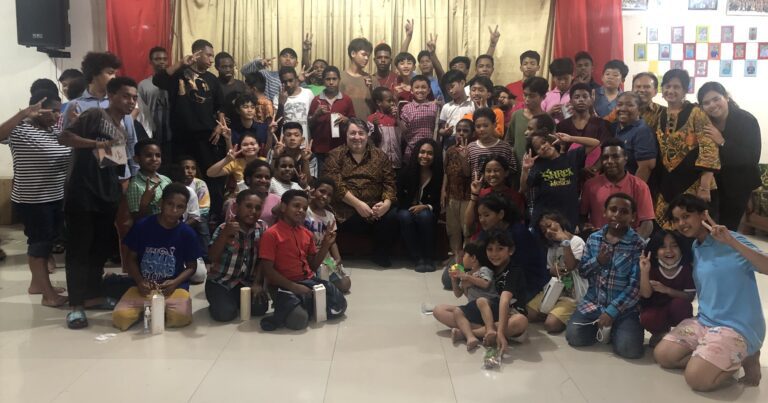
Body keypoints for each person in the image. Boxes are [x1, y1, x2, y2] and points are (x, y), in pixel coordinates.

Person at [656, 196, 764, 390]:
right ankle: (712, 358)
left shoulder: (731, 240)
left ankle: (748, 356)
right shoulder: (695, 247)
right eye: (677, 219)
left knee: (696, 379)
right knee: (663, 356)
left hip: (737, 326)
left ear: (703, 215)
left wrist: (731, 241)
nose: (681, 223)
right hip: (705, 321)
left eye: (686, 216)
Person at [59, 76, 138, 329]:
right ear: (111, 95)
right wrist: (97, 143)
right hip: (82, 194)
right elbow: (65, 137)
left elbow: (113, 163)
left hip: (107, 195)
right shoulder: (94, 115)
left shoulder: (122, 128)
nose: (130, 101)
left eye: (134, 97)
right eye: (125, 96)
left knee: (100, 249)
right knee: (79, 250)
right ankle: (76, 306)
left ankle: (92, 296)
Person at [0, 91, 69, 306]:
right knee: (39, 244)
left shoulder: (53, 131)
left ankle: (37, 285)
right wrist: (24, 113)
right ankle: (48, 296)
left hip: (54, 196)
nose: (57, 116)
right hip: (33, 200)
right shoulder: (20, 129)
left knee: (46, 243)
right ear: (39, 109)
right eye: (53, 111)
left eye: (59, 111)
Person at [112, 184, 203, 331]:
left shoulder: (187, 233)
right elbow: (130, 258)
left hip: (173, 288)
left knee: (180, 318)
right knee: (120, 318)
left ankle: (158, 308)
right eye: (170, 204)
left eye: (180, 207)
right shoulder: (143, 226)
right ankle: (149, 307)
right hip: (143, 286)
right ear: (161, 203)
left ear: (185, 209)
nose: (174, 211)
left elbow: (192, 267)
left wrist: (174, 282)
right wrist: (139, 281)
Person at [566, 193, 646, 359]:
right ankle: (602, 327)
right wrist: (598, 261)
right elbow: (583, 272)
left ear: (633, 217)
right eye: (613, 210)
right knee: (574, 337)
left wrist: (612, 311)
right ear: (604, 212)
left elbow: (635, 286)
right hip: (594, 302)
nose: (617, 215)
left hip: (625, 308)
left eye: (624, 212)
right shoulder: (594, 238)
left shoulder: (638, 244)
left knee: (629, 350)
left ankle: (616, 327)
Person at [257, 190, 347, 331]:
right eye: (296, 206)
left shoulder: (306, 233)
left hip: (308, 281)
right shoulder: (271, 234)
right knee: (299, 321)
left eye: (304, 208)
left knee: (340, 306)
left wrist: (325, 245)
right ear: (283, 207)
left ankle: (302, 303)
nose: (301, 210)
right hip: (284, 285)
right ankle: (298, 304)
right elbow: (268, 271)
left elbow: (313, 266)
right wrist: (294, 287)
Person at [152, 39, 225, 215]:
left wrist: (220, 126)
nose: (211, 60)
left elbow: (220, 107)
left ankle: (212, 214)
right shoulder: (179, 74)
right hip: (181, 136)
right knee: (179, 176)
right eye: (208, 55)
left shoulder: (212, 79)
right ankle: (178, 213)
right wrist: (180, 63)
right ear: (197, 54)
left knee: (210, 176)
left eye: (212, 56)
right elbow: (158, 80)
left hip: (207, 136)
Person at [434, 230, 530, 353]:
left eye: (500, 249)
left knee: (521, 321)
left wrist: (501, 332)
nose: (494, 254)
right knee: (439, 310)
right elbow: (464, 294)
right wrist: (459, 279)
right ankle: (486, 331)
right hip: (486, 311)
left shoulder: (514, 270)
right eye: (490, 249)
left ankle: (469, 333)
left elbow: (505, 300)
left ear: (510, 250)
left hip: (509, 314)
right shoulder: (487, 267)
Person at [322, 118, 398, 267]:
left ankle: (380, 254)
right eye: (352, 133)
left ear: (367, 135)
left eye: (361, 133)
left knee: (393, 215)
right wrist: (357, 204)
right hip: (344, 209)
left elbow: (390, 183)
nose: (357, 137)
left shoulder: (380, 156)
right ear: (346, 135)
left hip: (375, 209)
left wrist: (386, 204)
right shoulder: (335, 155)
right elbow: (334, 184)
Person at [655, 69, 720, 230]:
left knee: (694, 228)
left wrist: (704, 187)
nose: (671, 90)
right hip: (667, 182)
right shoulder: (660, 114)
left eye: (676, 87)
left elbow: (709, 147)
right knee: (667, 228)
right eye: (667, 86)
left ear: (685, 90)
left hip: (694, 183)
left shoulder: (696, 112)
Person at [697, 82, 762, 231]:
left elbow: (751, 158)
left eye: (716, 99)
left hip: (739, 184)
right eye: (706, 103)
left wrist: (722, 141)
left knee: (727, 228)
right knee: (708, 226)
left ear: (726, 97)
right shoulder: (704, 121)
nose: (712, 105)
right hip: (714, 183)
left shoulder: (746, 120)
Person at [63, 51, 139, 177]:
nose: (114, 77)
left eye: (115, 73)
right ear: (94, 74)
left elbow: (131, 140)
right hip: (88, 173)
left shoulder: (120, 101)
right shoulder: (75, 105)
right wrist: (81, 126)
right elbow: (66, 141)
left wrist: (135, 172)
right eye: (110, 73)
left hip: (119, 172)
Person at [520, 116, 599, 228]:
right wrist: (525, 169)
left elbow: (595, 143)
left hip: (568, 218)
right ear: (536, 153)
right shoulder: (538, 166)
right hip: (545, 221)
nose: (543, 147)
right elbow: (523, 188)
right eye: (538, 148)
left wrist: (571, 138)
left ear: (550, 141)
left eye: (544, 142)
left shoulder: (571, 157)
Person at [206, 189, 269, 322]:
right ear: (236, 207)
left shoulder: (263, 228)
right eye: (248, 206)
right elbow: (211, 257)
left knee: (260, 309)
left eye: (258, 208)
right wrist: (224, 235)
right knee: (225, 314)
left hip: (246, 282)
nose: (253, 211)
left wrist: (257, 283)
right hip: (221, 281)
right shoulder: (224, 227)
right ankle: (220, 301)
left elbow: (263, 258)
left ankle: (233, 299)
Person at [581, 139, 655, 238]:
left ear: (625, 158)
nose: (610, 161)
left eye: (615, 157)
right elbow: (582, 216)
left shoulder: (640, 186)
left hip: (629, 242)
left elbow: (647, 223)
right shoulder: (590, 185)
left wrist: (633, 244)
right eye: (605, 157)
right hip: (598, 242)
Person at [528, 211, 585, 333]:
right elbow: (550, 269)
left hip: (572, 294)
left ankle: (564, 314)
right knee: (529, 314)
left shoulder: (577, 241)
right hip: (554, 289)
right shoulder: (552, 246)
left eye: (549, 225)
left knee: (551, 325)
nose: (548, 231)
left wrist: (565, 241)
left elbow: (571, 266)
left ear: (559, 221)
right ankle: (554, 312)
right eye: (544, 231)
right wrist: (552, 270)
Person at [639, 230, 695, 347]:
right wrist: (644, 272)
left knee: (681, 305)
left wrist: (667, 290)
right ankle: (659, 333)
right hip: (657, 309)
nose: (669, 250)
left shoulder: (686, 269)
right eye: (663, 247)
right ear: (655, 252)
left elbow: (689, 297)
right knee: (647, 317)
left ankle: (678, 335)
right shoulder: (652, 267)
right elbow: (646, 294)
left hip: (676, 309)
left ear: (681, 249)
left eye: (674, 246)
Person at [397, 139, 443, 272]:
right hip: (406, 208)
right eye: (422, 152)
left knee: (425, 216)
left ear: (435, 156)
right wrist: (411, 206)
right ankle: (417, 258)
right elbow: (398, 197)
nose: (425, 156)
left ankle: (428, 257)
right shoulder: (406, 172)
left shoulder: (439, 175)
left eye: (430, 153)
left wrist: (426, 206)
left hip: (428, 210)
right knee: (405, 216)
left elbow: (438, 202)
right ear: (417, 153)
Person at [448, 241, 497, 350]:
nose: (462, 259)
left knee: (481, 301)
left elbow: (485, 283)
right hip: (474, 308)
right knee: (457, 311)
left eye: (464, 255)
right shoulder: (466, 274)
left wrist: (467, 277)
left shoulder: (483, 270)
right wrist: (454, 280)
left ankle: (489, 329)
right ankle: (470, 337)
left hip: (490, 305)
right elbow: (458, 294)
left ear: (473, 258)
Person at [304, 177, 351, 292]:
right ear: (313, 190)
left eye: (329, 195)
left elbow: (332, 241)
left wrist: (337, 258)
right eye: (322, 191)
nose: (325, 196)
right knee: (316, 282)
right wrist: (306, 200)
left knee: (346, 284)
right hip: (306, 256)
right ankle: (318, 281)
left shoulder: (330, 216)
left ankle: (322, 281)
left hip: (325, 257)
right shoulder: (304, 210)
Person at [308, 66, 356, 168]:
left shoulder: (346, 100)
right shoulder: (316, 100)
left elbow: (353, 121)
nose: (331, 82)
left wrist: (346, 120)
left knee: (341, 175)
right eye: (328, 79)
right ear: (323, 81)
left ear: (339, 80)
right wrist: (316, 114)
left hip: (341, 148)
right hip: (320, 149)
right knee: (322, 176)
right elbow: (310, 125)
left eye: (334, 79)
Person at [557, 82, 611, 169]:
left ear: (591, 100)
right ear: (570, 101)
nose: (581, 100)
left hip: (595, 170)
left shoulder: (602, 124)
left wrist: (595, 168)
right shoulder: (562, 125)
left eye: (585, 97)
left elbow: (606, 149)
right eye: (577, 97)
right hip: (567, 170)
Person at [442, 119, 474, 267]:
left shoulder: (473, 150)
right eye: (459, 130)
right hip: (452, 194)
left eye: (465, 130)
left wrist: (465, 157)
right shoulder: (450, 150)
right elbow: (446, 172)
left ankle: (466, 260)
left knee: (466, 229)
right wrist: (443, 190)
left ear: (472, 133)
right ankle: (455, 257)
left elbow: (468, 173)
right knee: (453, 229)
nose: (461, 133)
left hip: (467, 196)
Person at [609, 92, 657, 182]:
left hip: (630, 187)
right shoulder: (615, 127)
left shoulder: (642, 131)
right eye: (619, 105)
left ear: (639, 109)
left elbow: (646, 167)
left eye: (629, 105)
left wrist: (632, 189)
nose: (623, 109)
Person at [126, 138, 172, 221]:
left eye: (158, 155)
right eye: (148, 155)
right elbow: (136, 219)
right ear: (136, 159)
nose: (154, 159)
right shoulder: (135, 185)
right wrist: (144, 203)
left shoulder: (166, 180)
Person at [137, 47, 171, 157]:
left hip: (173, 132)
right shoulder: (143, 85)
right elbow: (141, 112)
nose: (162, 62)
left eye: (164, 59)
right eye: (157, 59)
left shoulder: (175, 82)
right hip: (153, 133)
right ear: (151, 62)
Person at [506, 76, 548, 164]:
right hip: (516, 166)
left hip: (539, 167)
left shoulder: (547, 119)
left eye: (532, 96)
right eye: (525, 95)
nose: (527, 99)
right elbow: (509, 141)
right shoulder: (517, 115)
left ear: (543, 97)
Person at [466, 107, 516, 178]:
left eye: (485, 126)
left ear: (494, 125)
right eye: (478, 126)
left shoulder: (504, 147)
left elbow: (512, 170)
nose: (482, 129)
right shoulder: (471, 147)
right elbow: (467, 173)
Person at [399, 75, 439, 161]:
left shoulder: (435, 107)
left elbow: (437, 128)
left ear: (429, 90)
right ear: (411, 90)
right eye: (417, 87)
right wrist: (396, 118)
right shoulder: (406, 108)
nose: (420, 90)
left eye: (423, 87)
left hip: (429, 151)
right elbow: (403, 130)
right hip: (411, 150)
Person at [177, 156, 211, 255]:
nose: (190, 171)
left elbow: (204, 208)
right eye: (186, 168)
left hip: (198, 215)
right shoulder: (175, 184)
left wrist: (188, 221)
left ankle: (206, 255)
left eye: (193, 168)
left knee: (202, 228)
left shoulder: (200, 184)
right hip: (180, 215)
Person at [274, 67, 315, 145]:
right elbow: (277, 123)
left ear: (296, 79)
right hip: (286, 143)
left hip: (305, 141)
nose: (288, 84)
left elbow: (313, 118)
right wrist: (281, 104)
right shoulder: (278, 97)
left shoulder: (308, 93)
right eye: (284, 82)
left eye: (290, 80)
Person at [339, 38, 374, 119]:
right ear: (353, 53)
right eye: (363, 54)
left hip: (367, 125)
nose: (366, 58)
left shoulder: (371, 79)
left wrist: (371, 89)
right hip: (345, 124)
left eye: (368, 56)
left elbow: (378, 106)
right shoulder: (339, 77)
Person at [368, 87, 402, 169]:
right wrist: (376, 126)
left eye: (393, 101)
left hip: (396, 162)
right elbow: (373, 141)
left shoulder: (395, 118)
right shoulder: (372, 118)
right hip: (380, 164)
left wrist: (397, 119)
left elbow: (404, 136)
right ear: (379, 102)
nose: (392, 103)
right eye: (389, 101)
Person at [437, 70, 474, 146]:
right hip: (450, 141)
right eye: (447, 89)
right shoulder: (446, 107)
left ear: (462, 83)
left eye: (452, 86)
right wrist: (445, 131)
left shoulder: (472, 104)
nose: (450, 91)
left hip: (470, 140)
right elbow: (440, 129)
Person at [541, 57, 574, 122]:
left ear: (572, 76)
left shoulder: (576, 95)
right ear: (553, 78)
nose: (562, 82)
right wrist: (549, 113)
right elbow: (538, 119)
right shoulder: (546, 96)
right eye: (559, 79)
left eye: (566, 78)